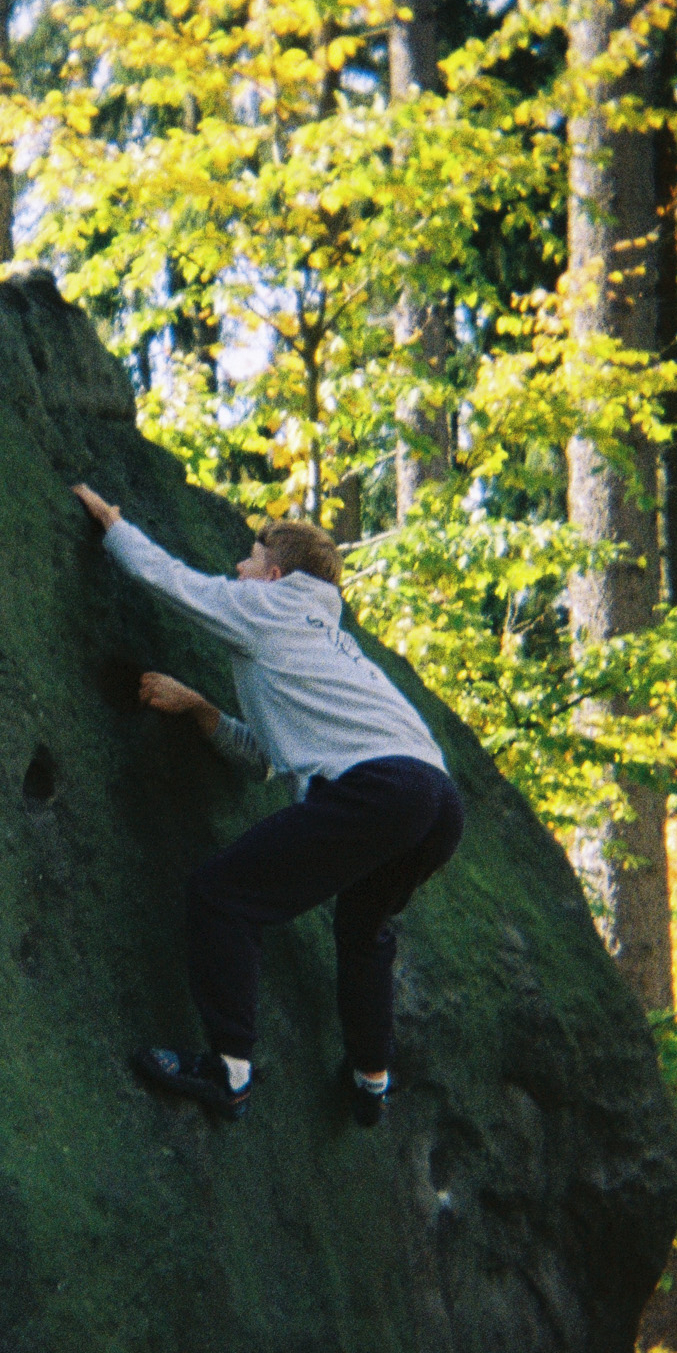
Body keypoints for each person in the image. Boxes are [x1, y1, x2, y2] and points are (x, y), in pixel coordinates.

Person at [73, 482, 464, 1127]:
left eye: (248, 560)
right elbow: (266, 758)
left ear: (276, 575)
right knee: (363, 931)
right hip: (436, 802)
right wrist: (200, 709)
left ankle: (229, 1073)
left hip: (380, 788)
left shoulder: (269, 608)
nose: (237, 569)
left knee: (224, 894)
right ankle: (371, 1081)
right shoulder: (330, 642)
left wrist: (112, 522)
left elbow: (168, 579)